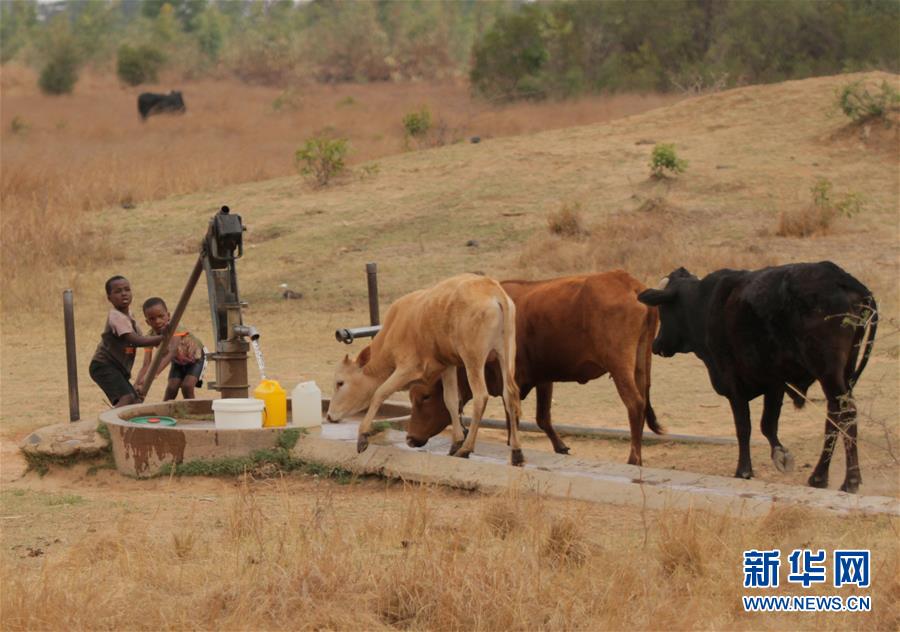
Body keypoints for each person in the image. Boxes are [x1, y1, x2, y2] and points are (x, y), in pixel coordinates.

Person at [89, 276, 164, 408]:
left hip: (117, 368)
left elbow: (143, 338)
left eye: (127, 289)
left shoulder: (129, 315)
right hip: (104, 365)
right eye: (118, 291)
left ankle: (122, 425)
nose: (124, 293)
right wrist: (162, 338)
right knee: (127, 398)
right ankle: (107, 424)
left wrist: (160, 339)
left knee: (135, 400)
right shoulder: (115, 316)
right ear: (109, 297)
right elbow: (134, 340)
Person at [135, 297, 206, 401]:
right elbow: (146, 364)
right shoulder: (149, 337)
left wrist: (153, 375)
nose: (158, 321)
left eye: (161, 316)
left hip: (197, 359)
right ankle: (164, 414)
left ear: (168, 316)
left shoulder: (176, 327)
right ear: (147, 322)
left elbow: (172, 352)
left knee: (187, 386)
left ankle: (192, 413)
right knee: (171, 388)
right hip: (178, 362)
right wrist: (137, 383)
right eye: (152, 319)